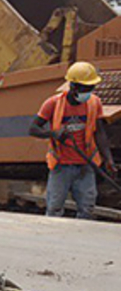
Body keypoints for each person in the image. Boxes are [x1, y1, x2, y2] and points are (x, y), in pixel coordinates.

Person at [29, 61, 116, 219]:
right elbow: (33, 129)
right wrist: (54, 133)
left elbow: (100, 133)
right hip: (61, 165)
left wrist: (108, 159)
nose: (90, 91)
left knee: (87, 208)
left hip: (86, 164)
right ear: (74, 86)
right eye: (86, 88)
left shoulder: (94, 103)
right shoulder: (53, 103)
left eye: (91, 88)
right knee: (55, 208)